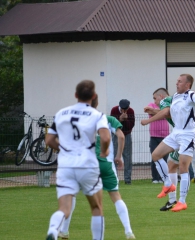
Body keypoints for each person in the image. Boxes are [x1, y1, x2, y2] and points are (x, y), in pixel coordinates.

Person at [58, 95, 136, 240]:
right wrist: (118, 156)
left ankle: (64, 231)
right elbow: (121, 136)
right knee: (116, 196)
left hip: (85, 166)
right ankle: (128, 232)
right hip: (105, 164)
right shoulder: (107, 119)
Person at [45, 80, 111, 240]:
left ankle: (53, 230)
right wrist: (104, 151)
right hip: (87, 165)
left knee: (64, 208)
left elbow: (49, 140)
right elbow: (105, 136)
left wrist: (64, 149)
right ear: (94, 96)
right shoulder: (97, 115)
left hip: (66, 166)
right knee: (96, 207)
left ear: (76, 95)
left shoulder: (61, 113)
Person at [142, 74, 195, 212]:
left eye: (180, 82)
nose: (176, 83)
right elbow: (169, 112)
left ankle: (182, 201)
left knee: (183, 167)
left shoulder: (191, 94)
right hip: (176, 133)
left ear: (187, 85)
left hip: (188, 134)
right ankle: (168, 184)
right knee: (156, 155)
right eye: (177, 81)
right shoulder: (174, 97)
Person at [144, 88, 170, 183]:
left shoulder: (167, 106)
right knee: (155, 157)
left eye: (155, 98)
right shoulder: (151, 105)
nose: (154, 100)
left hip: (165, 136)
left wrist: (156, 111)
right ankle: (155, 178)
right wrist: (161, 112)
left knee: (164, 158)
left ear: (161, 96)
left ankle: (163, 177)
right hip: (154, 136)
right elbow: (148, 110)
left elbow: (166, 113)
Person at [111, 99, 135, 185]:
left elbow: (131, 126)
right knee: (114, 156)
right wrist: (120, 119)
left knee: (128, 157)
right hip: (116, 136)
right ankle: (114, 178)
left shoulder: (131, 111)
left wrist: (126, 119)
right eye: (122, 109)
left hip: (127, 135)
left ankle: (127, 179)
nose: (124, 111)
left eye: (126, 109)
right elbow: (112, 124)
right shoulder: (114, 110)